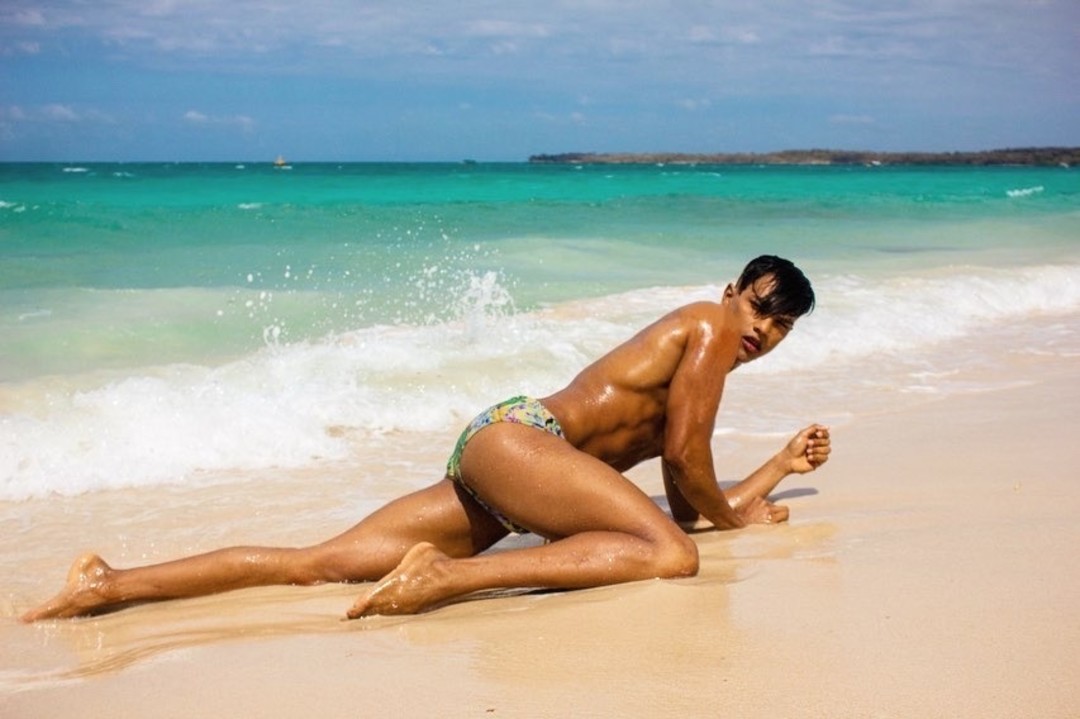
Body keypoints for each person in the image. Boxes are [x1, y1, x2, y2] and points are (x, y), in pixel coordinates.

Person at [22, 255, 830, 622]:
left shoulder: (696, 371)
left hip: (505, 456)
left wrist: (773, 470)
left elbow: (682, 498)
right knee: (673, 560)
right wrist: (738, 516)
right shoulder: (707, 329)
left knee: (315, 564)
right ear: (731, 291)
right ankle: (445, 578)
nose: (763, 329)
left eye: (781, 325)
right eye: (760, 307)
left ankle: (109, 585)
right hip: (523, 443)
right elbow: (686, 475)